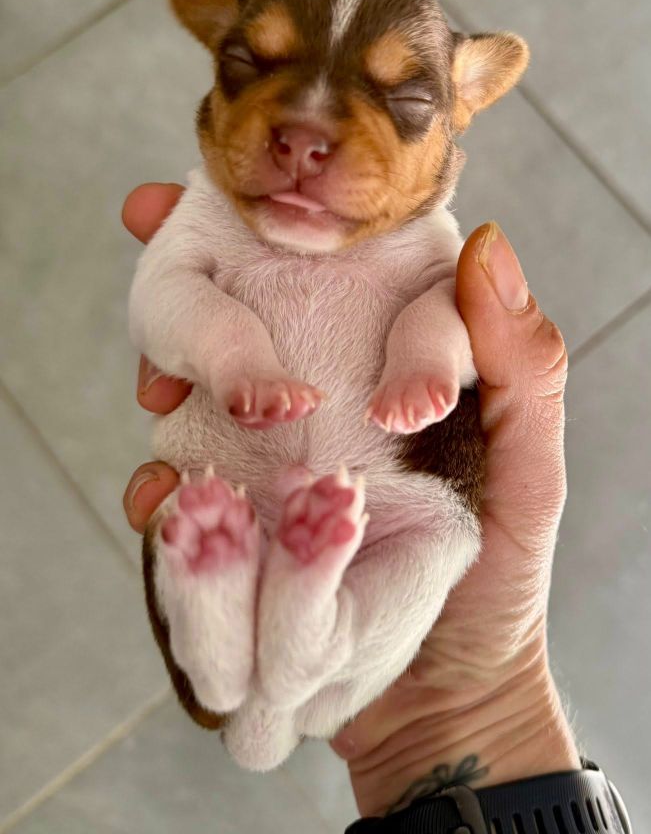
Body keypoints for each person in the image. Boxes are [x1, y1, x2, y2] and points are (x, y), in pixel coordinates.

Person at [121, 183, 631, 833]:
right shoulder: (213, 209)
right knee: (192, 520)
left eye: (395, 121)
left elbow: (444, 305)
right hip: (252, 497)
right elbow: (162, 296)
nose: (311, 154)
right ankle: (227, 662)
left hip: (387, 532)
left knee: (438, 540)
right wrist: (218, 344)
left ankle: (274, 637)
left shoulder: (419, 232)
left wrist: (427, 348)